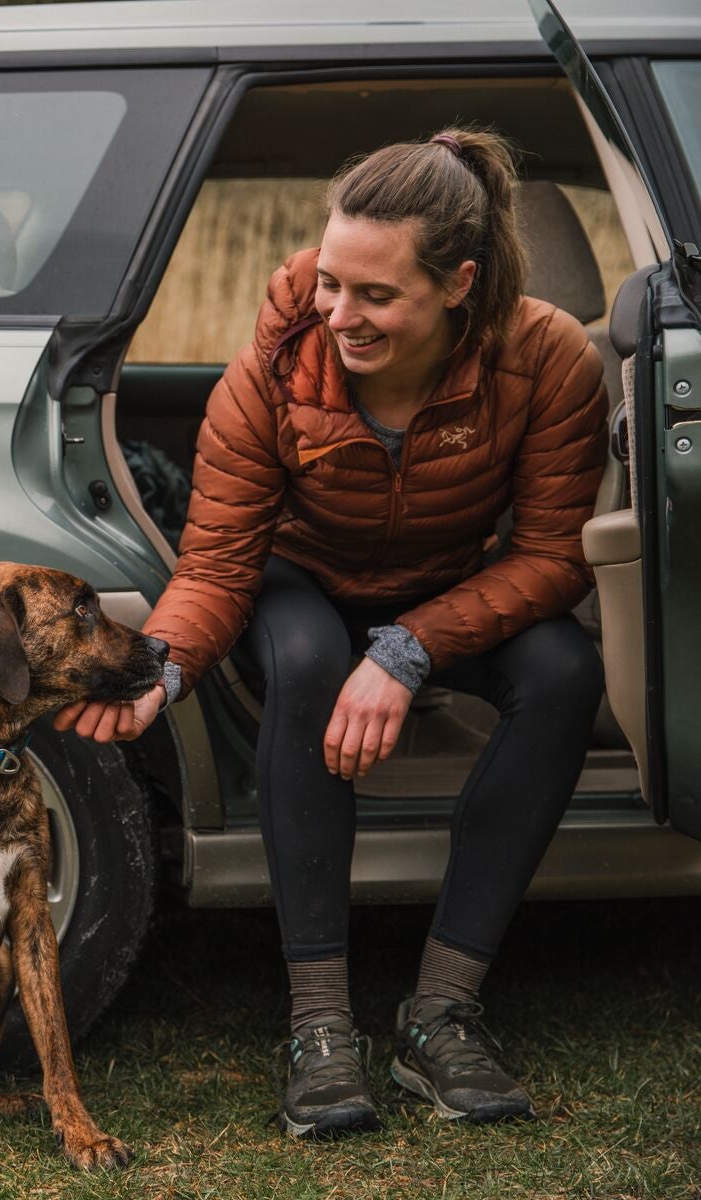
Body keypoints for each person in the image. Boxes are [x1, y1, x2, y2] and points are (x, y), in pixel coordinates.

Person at [56, 129, 608, 1136]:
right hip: (296, 579)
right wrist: (163, 668)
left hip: (448, 589)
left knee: (567, 667)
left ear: (459, 285)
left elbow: (553, 558)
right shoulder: (275, 363)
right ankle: (319, 1030)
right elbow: (219, 559)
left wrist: (409, 649)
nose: (339, 313)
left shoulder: (549, 358)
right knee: (308, 659)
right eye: (329, 282)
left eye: (375, 296)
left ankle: (442, 1014)